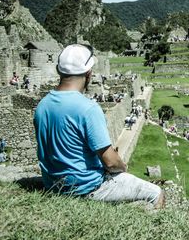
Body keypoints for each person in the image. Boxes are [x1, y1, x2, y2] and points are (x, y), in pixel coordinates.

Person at [33, 44, 164, 207]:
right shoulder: (88, 108)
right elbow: (110, 162)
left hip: (52, 185)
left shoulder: (42, 106)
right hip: (85, 188)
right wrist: (123, 166)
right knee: (156, 193)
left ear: (59, 71)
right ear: (89, 73)